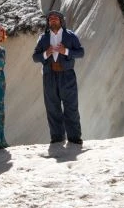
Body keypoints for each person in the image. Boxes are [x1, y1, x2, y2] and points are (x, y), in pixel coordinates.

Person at [32, 10, 85, 145]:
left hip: (67, 76)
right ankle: (57, 138)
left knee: (71, 107)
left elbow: (81, 52)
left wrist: (65, 51)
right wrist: (46, 53)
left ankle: (74, 138)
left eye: (55, 18)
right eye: (50, 19)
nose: (53, 20)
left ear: (61, 21)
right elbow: (35, 57)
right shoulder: (43, 38)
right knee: (52, 107)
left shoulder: (70, 36)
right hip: (49, 77)